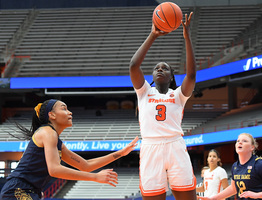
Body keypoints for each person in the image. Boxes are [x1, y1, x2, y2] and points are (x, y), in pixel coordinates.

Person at [0, 99, 139, 200]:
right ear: (52, 115)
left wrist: (121, 153)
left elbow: (86, 165)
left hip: (29, 190)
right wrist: (95, 177)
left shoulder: (56, 140)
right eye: (64, 108)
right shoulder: (48, 132)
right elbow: (54, 170)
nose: (70, 112)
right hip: (17, 189)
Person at [129, 12, 197, 200]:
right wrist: (153, 35)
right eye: (156, 68)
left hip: (175, 146)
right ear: (151, 76)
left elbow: (191, 76)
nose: (160, 69)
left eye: (165, 68)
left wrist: (187, 37)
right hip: (151, 147)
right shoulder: (143, 92)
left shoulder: (178, 95)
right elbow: (134, 66)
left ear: (171, 77)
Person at [198, 133, 262, 200]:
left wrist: (256, 195)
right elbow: (233, 188)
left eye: (244, 141)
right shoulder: (235, 166)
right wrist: (213, 198)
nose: (240, 142)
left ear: (252, 147)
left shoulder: (260, 165)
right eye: (238, 141)